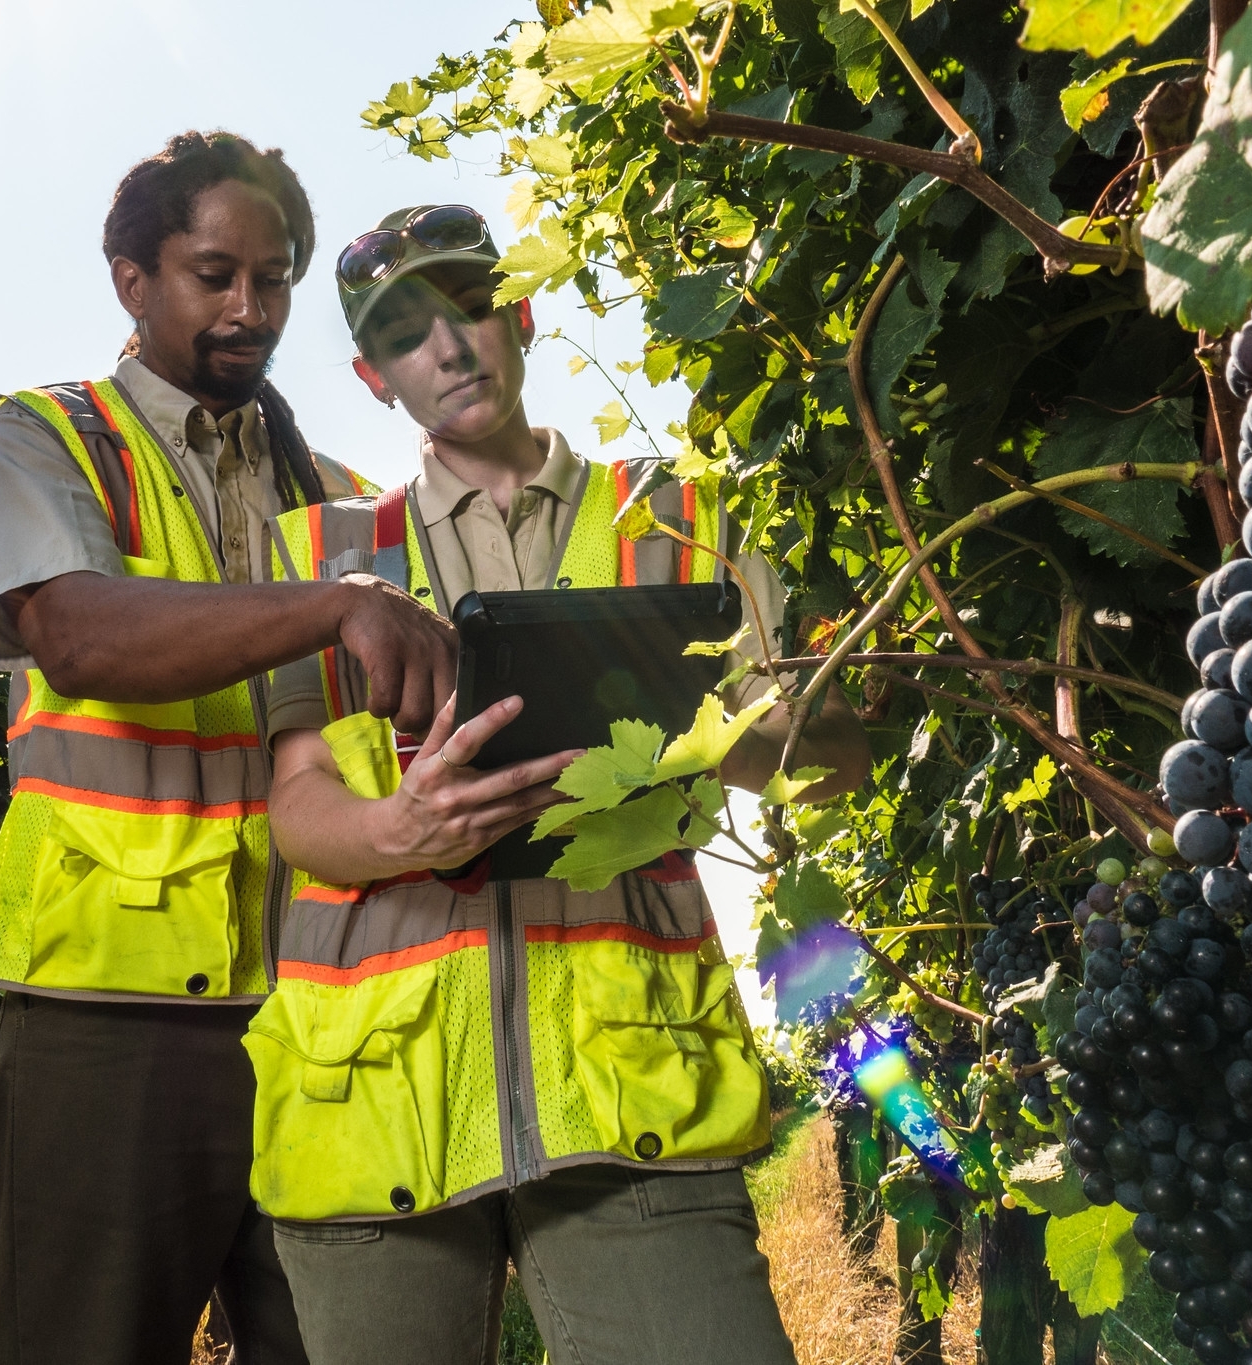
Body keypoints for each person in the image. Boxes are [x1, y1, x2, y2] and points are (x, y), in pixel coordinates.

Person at [239, 205, 873, 1365]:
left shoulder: (686, 519)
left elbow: (834, 759)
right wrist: (399, 828)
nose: (448, 346)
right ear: (372, 376)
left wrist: (715, 739)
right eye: (402, 331)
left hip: (632, 1087)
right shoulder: (313, 555)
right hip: (374, 1099)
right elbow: (299, 809)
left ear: (521, 312)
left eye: (470, 305)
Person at [0, 134, 458, 1365]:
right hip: (109, 1021)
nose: (250, 310)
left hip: (325, 1018)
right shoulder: (45, 438)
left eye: (273, 280)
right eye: (213, 275)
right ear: (132, 280)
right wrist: (335, 603)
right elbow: (80, 638)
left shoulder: (345, 498)